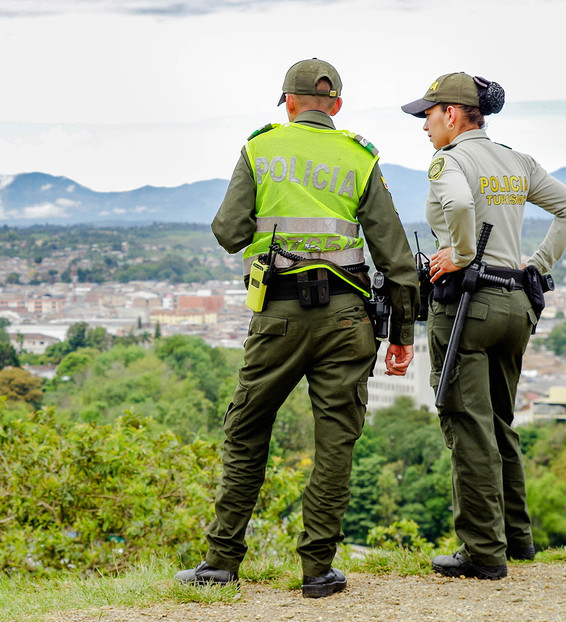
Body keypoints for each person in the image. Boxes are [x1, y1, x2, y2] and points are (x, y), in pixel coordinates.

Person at [175, 58, 419, 598]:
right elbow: (397, 259)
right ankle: (317, 570)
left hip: (279, 315)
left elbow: (229, 232)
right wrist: (403, 334)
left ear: (287, 102)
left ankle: (220, 560)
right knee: (336, 441)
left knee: (246, 430)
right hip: (347, 318)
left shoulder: (260, 148)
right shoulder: (360, 156)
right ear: (336, 105)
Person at [401, 72, 566, 580]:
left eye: (429, 114)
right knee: (501, 421)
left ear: (454, 114)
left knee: (467, 425)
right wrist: (539, 265)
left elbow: (459, 205)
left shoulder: (449, 160)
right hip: (515, 305)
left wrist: (460, 254)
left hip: (467, 306)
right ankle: (517, 539)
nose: (424, 126)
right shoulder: (516, 160)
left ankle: (483, 550)